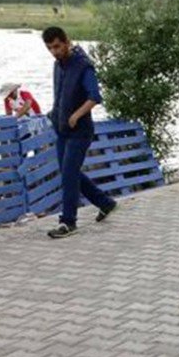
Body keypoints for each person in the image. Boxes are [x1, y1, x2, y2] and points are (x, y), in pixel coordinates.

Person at [41, 27, 118, 239]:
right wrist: (54, 115)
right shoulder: (58, 66)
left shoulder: (84, 66)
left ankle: (68, 222)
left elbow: (95, 96)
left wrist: (76, 115)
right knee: (70, 173)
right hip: (62, 130)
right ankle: (105, 202)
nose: (54, 52)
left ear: (67, 41)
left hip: (80, 131)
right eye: (49, 48)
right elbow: (60, 96)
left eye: (57, 46)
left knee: (68, 176)